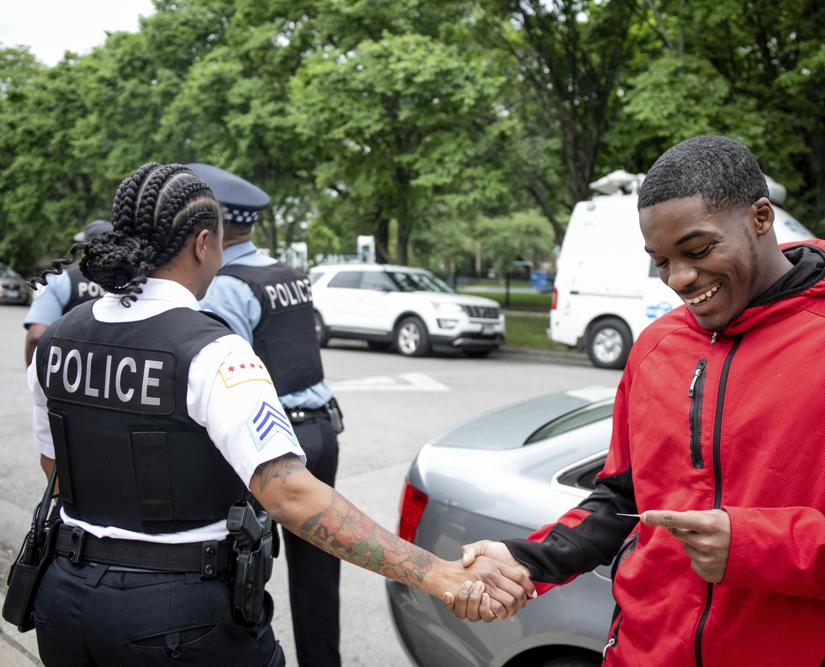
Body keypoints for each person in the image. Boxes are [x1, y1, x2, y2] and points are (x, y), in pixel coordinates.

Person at [448, 136, 825, 665]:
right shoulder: (654, 348)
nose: (679, 279)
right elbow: (621, 500)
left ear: (761, 219)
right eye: (660, 261)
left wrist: (760, 546)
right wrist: (525, 559)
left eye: (698, 249)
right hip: (640, 655)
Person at [24, 163, 533, 666]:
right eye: (220, 244)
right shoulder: (212, 351)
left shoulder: (59, 339)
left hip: (64, 604)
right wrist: (437, 573)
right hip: (178, 621)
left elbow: (58, 472)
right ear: (203, 244)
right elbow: (291, 496)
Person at [190, 162, 343, 667]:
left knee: (247, 569)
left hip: (272, 444)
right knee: (318, 576)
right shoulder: (287, 274)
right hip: (322, 430)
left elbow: (223, 374)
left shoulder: (226, 286)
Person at [23, 219, 113, 365]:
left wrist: (36, 380)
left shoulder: (61, 281)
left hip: (68, 373)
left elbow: (36, 336)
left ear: (84, 247)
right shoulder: (131, 283)